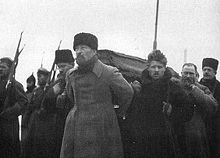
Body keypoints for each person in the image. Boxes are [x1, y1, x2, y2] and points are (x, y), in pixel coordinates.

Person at [60, 32, 134, 158]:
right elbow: (71, 95)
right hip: (75, 126)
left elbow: (127, 92)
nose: (79, 52)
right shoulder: (71, 75)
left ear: (94, 51)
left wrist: (117, 113)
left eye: (83, 48)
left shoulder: (108, 72)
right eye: (76, 48)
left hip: (102, 126)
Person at [127, 50, 194, 158]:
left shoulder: (173, 87)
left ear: (165, 68)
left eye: (160, 67)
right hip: (142, 141)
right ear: (148, 68)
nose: (156, 70)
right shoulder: (139, 85)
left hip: (165, 142)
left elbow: (188, 111)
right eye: (153, 67)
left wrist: (172, 111)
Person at [178, 63, 218, 158]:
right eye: (185, 73)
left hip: (196, 136)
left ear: (196, 75)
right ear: (181, 73)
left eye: (191, 73)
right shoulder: (174, 86)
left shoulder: (202, 89)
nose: (188, 76)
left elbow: (213, 107)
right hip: (177, 133)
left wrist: (195, 90)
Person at [0, 57, 28, 158]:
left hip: (8, 127)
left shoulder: (15, 85)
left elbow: (23, 102)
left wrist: (8, 113)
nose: (0, 69)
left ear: (10, 69)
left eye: (3, 67)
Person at [21, 67, 49, 158]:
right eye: (38, 76)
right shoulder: (36, 90)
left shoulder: (47, 89)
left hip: (42, 121)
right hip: (32, 120)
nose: (38, 78)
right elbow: (30, 105)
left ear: (46, 77)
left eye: (40, 76)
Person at [199, 58, 220, 158]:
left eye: (209, 70)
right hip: (199, 125)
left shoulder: (219, 88)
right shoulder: (197, 85)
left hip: (215, 127)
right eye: (204, 69)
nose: (206, 72)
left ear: (215, 72)